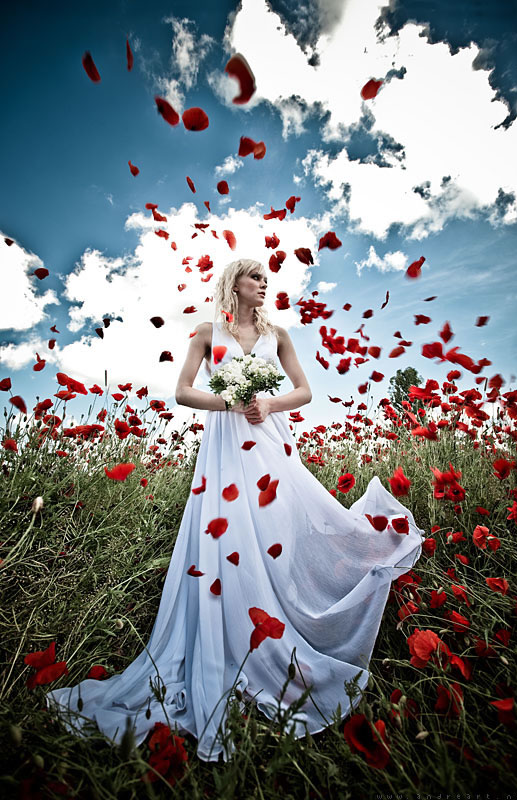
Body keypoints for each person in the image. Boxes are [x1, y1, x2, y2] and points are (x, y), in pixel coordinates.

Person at [45, 258, 425, 763]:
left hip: (270, 441)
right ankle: (225, 642)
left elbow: (304, 391)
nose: (264, 284)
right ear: (234, 283)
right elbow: (182, 391)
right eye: (255, 277)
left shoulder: (279, 334)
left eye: (267, 279)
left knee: (277, 530)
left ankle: (305, 604)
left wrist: (267, 404)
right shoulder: (206, 333)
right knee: (227, 539)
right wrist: (229, 401)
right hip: (224, 446)